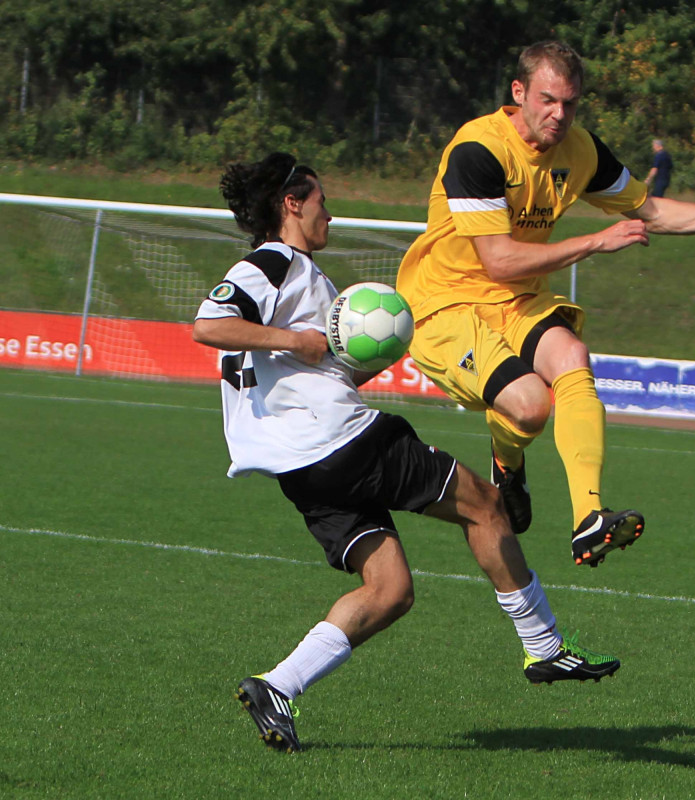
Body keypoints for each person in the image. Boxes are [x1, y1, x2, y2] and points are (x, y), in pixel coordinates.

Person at [194, 152, 621, 755]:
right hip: (343, 441)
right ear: (291, 203)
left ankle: (277, 686)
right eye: (321, 201)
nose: (329, 214)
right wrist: (299, 340)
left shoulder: (301, 278)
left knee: (390, 590)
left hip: (300, 467)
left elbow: (306, 367)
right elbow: (209, 323)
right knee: (485, 504)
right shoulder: (275, 262)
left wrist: (362, 356)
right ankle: (545, 646)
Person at [396, 40, 695, 568]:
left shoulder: (581, 151)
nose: (559, 114)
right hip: (445, 304)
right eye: (548, 100)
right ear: (518, 92)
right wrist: (595, 241)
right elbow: (498, 260)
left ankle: (588, 520)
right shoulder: (479, 149)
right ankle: (507, 458)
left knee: (573, 356)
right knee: (530, 407)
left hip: (517, 298)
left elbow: (653, 211)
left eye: (570, 103)